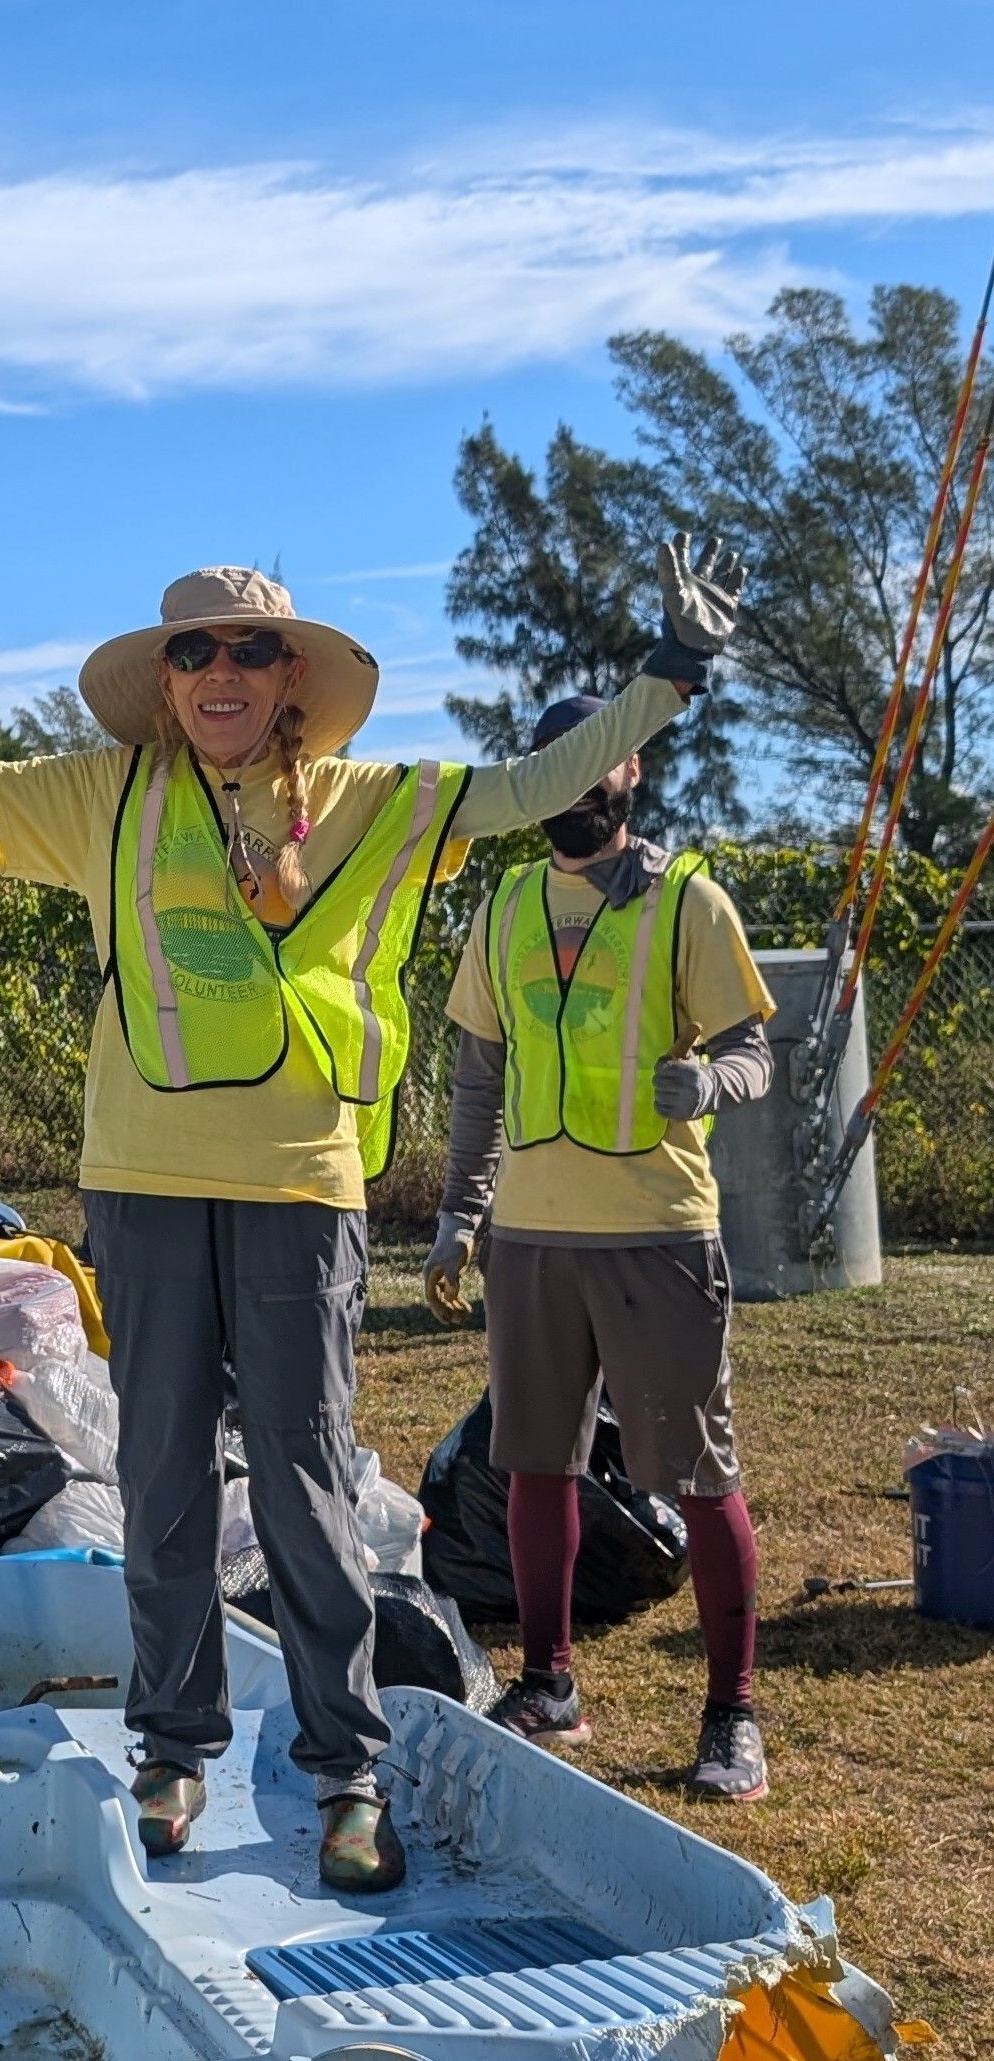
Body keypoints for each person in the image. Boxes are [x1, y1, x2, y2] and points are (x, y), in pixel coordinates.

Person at [0, 531, 746, 1893]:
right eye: (196, 647)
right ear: (166, 680)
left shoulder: (368, 800)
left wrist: (670, 672)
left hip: (296, 1184)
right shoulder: (103, 794)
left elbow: (533, 783)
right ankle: (172, 1749)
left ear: (291, 679)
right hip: (143, 1181)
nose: (224, 667)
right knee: (158, 1474)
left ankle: (347, 1769)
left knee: (305, 1473)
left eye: (253, 647)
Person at [423, 696, 778, 1801]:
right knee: (533, 1463)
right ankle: (549, 1683)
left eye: (592, 769)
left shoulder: (688, 903)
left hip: (655, 1231)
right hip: (529, 1234)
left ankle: (731, 1713)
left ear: (628, 771)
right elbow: (478, 1077)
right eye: (551, 770)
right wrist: (458, 1211)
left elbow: (752, 1051)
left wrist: (711, 1079)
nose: (572, 793)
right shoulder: (507, 904)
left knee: (698, 1473)